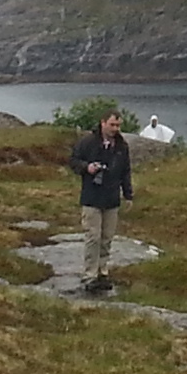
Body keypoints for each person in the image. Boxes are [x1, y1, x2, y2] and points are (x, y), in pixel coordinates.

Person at [64, 110, 135, 294]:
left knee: (106, 238)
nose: (115, 129)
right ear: (103, 123)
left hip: (111, 199)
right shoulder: (88, 142)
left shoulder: (121, 146)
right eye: (112, 125)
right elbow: (73, 160)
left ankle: (102, 272)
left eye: (118, 125)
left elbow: (125, 171)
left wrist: (128, 195)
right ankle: (90, 275)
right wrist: (86, 167)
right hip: (92, 197)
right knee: (93, 237)